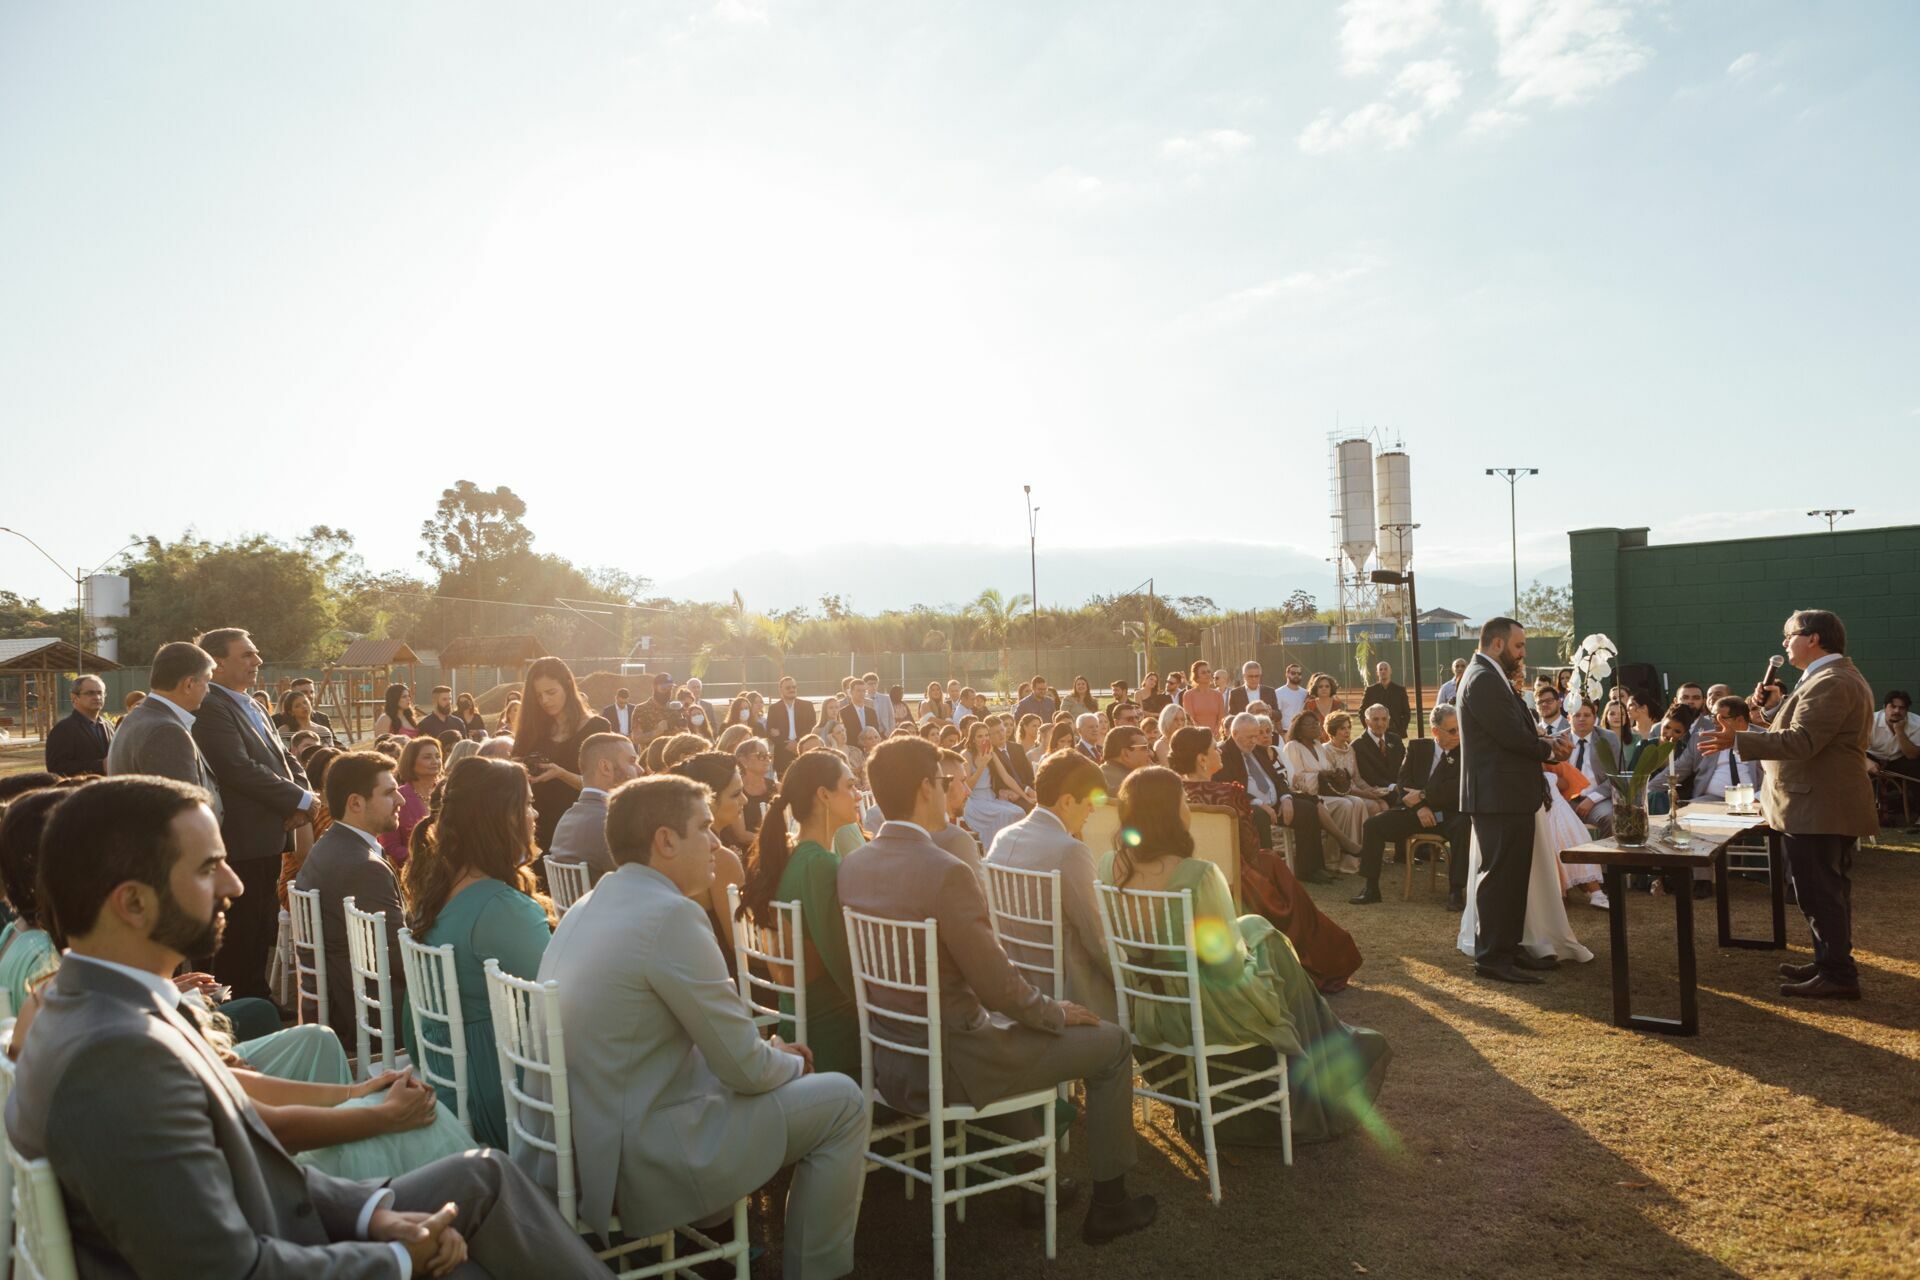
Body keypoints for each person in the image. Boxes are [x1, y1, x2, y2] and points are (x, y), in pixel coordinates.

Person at [9, 774, 605, 1278]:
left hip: (284, 1223)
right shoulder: (114, 1053)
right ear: (133, 902)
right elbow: (224, 1268)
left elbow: (250, 1157)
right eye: (209, 867)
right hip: (277, 1248)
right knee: (471, 1247)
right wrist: (397, 1258)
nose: (235, 884)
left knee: (485, 1175)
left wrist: (373, 1214)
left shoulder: (103, 1005)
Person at [532, 774, 868, 1277]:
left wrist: (766, 1055)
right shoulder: (670, 914)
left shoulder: (589, 903)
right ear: (665, 841)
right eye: (705, 827)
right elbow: (745, 1070)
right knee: (843, 1100)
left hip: (581, 1147)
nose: (715, 842)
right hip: (639, 1156)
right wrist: (789, 1063)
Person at [839, 737, 1159, 1246]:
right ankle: (1111, 1204)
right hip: (957, 1062)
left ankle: (1035, 1182)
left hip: (892, 1059)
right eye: (946, 781)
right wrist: (1055, 1012)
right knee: (1113, 1044)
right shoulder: (946, 871)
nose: (954, 789)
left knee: (1011, 1034)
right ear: (926, 788)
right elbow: (998, 988)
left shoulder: (853, 865)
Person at [1097, 767, 1390, 1142]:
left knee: (1258, 928)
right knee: (1274, 951)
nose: (1189, 806)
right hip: (1199, 1010)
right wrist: (1258, 957)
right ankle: (1328, 1062)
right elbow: (1227, 966)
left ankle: (1332, 1051)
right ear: (1169, 812)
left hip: (1145, 1006)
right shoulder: (1197, 874)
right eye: (1184, 800)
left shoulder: (1109, 865)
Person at [1697, 609, 1877, 1000]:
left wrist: (1739, 740)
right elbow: (1803, 733)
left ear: (1813, 638)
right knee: (1824, 890)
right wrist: (1761, 718)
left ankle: (1838, 975)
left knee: (1819, 892)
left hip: (1820, 806)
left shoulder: (1832, 681)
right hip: (1820, 803)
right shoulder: (1827, 677)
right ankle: (1829, 961)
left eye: (1789, 635)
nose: (1784, 643)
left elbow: (1802, 742)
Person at [401, 756, 556, 1145]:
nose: (536, 814)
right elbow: (559, 1002)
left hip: (449, 1074)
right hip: (506, 1092)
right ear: (501, 818)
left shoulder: (441, 887)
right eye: (527, 804)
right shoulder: (501, 908)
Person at [192, 627, 316, 1000]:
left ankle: (257, 999)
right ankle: (240, 1009)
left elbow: (285, 759)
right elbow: (236, 767)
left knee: (260, 929)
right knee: (240, 936)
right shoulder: (211, 705)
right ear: (217, 663)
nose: (257, 661)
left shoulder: (253, 703)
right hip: (242, 841)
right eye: (246, 654)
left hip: (270, 835)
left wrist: (302, 797)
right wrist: (297, 801)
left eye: (256, 653)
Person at [1457, 617, 1574, 985]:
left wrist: (1547, 741)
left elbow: (1514, 729)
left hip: (1508, 793)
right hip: (1497, 795)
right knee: (1498, 877)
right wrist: (1549, 750)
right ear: (1497, 644)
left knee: (1513, 877)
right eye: (1519, 645)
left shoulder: (1490, 676)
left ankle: (1509, 945)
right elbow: (1508, 736)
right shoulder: (1482, 679)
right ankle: (1492, 958)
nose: (1523, 653)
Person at [738, 750, 863, 1076]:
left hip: (796, 1023)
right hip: (834, 1038)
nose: (858, 795)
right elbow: (846, 964)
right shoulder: (819, 864)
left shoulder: (789, 854)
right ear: (824, 795)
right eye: (850, 786)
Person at [984, 751, 1116, 1019]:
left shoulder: (1003, 837)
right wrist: (1134, 979)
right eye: (1089, 804)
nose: (1092, 811)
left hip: (1017, 986)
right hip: (1070, 991)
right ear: (1067, 801)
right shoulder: (1070, 850)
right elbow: (1098, 938)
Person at [293, 751, 410, 1050]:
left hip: (344, 1000)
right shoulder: (363, 866)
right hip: (373, 1013)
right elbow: (400, 958)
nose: (401, 800)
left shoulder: (329, 846)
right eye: (389, 793)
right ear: (356, 803)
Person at [1349, 706, 1473, 907]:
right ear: (1435, 731)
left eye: (1460, 729)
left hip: (1448, 815)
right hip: (1415, 813)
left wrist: (1424, 795)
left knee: (1464, 825)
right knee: (1373, 826)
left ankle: (1456, 891)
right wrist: (1420, 808)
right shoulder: (1418, 748)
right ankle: (1371, 888)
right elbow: (1403, 781)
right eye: (1452, 731)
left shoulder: (1466, 752)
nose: (1458, 735)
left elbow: (1456, 788)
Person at [512, 655, 611, 854]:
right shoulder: (531, 728)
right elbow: (512, 771)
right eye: (538, 696)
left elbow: (603, 786)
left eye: (551, 692)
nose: (545, 701)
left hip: (579, 827)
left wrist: (561, 774)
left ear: (567, 685)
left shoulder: (597, 727)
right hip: (537, 826)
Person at [106, 641, 224, 807]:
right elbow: (182, 810)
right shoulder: (165, 731)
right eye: (207, 681)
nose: (208, 690)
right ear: (189, 684)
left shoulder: (139, 717)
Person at [542, 731, 640, 887]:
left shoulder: (567, 817)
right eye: (632, 761)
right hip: (608, 902)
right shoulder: (613, 822)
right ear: (606, 767)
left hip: (577, 903)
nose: (640, 770)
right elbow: (637, 883)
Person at [1280, 712, 1366, 869]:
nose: (1315, 726)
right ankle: (1332, 858)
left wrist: (1335, 773)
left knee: (1358, 802)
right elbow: (1295, 778)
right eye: (1309, 724)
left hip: (1326, 792)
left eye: (1316, 723)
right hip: (1308, 796)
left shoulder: (1318, 745)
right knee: (1345, 805)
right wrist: (1320, 775)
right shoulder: (1292, 747)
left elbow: (1326, 768)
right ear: (1299, 729)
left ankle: (1354, 857)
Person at [959, 720, 1028, 853]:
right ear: (973, 739)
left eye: (986, 735)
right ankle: (996, 850)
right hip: (974, 801)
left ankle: (1012, 850)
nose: (984, 739)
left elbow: (1006, 777)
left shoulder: (991, 752)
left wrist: (1025, 796)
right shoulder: (966, 755)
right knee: (1005, 813)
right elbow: (968, 786)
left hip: (990, 798)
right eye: (980, 736)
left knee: (1019, 812)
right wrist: (982, 765)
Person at [379, 734, 441, 868]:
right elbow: (391, 847)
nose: (435, 761)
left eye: (437, 756)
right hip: (415, 871)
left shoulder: (447, 792)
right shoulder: (396, 797)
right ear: (411, 762)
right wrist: (429, 858)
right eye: (427, 757)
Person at [1563, 702, 1620, 835]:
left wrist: (1592, 799)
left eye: (1587, 715)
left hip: (1598, 801)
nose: (1582, 719)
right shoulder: (1558, 739)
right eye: (1577, 715)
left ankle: (1606, 849)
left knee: (1610, 818)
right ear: (1569, 718)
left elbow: (1616, 775)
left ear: (1595, 718)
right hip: (1565, 801)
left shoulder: (1608, 738)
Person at [44, 673, 113, 776]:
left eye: (100, 693)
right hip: (81, 786)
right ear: (74, 697)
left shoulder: (109, 726)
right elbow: (56, 768)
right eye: (90, 693)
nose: (97, 697)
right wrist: (99, 766)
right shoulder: (63, 730)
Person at [767, 674, 819, 774]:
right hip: (783, 755)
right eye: (788, 688)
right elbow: (770, 732)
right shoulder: (773, 708)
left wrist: (797, 743)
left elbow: (811, 727)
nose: (792, 689)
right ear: (781, 690)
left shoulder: (807, 706)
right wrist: (786, 744)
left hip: (804, 750)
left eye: (794, 687)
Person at [1866, 689, 1920, 782]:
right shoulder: (1870, 721)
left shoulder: (1917, 723)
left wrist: (1899, 731)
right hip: (1872, 757)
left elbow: (1912, 755)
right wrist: (1865, 762)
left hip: (1898, 760)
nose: (1897, 711)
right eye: (1893, 706)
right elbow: (1853, 747)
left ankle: (1905, 791)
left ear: (1907, 710)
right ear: (1884, 707)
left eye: (1902, 708)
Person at [1352, 703, 1405, 795]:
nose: (1380, 724)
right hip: (1377, 792)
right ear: (1367, 721)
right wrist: (1392, 787)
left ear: (1388, 721)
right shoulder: (1358, 745)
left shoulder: (1395, 739)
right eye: (1375, 719)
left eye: (1384, 719)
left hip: (1401, 787)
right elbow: (1369, 777)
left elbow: (1404, 766)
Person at [1361, 661, 1411, 738]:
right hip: (1375, 732)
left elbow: (1407, 713)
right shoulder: (1370, 691)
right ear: (1377, 673)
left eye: (1385, 669)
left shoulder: (1400, 690)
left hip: (1395, 732)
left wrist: (1401, 729)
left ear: (1390, 671)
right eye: (1380, 669)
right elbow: (1362, 712)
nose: (1383, 671)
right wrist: (1369, 728)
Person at [1099, 725, 1153, 795]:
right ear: (1126, 754)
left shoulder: (1101, 775)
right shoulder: (1132, 786)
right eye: (1144, 748)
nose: (1150, 753)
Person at [1182, 660, 1225, 732]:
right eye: (1203, 672)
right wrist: (1203, 733)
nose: (1207, 674)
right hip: (1196, 734)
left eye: (1209, 671)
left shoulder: (1218, 695)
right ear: (1196, 676)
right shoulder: (1189, 695)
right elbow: (1190, 720)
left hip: (1216, 735)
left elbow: (1221, 719)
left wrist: (1216, 733)